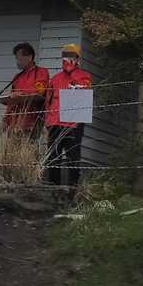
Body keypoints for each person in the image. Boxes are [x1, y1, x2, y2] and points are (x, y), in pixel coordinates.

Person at [45, 43, 92, 192]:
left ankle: (73, 189)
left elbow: (84, 94)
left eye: (71, 56)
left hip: (73, 123)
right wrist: (47, 121)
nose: (67, 59)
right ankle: (53, 190)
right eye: (65, 55)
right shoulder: (55, 79)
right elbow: (48, 101)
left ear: (77, 59)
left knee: (73, 156)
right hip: (54, 122)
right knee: (53, 156)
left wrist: (72, 72)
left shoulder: (84, 76)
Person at [0, 41, 48, 135]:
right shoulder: (17, 77)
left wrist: (21, 94)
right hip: (14, 124)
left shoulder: (41, 72)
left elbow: (40, 91)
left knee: (30, 144)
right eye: (16, 59)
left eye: (19, 58)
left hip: (32, 123)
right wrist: (5, 120)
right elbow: (11, 102)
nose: (17, 62)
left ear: (29, 57)